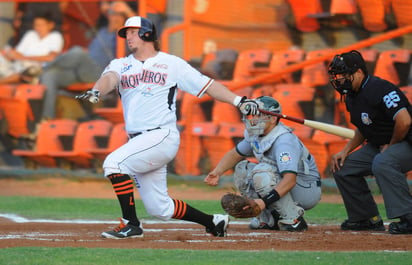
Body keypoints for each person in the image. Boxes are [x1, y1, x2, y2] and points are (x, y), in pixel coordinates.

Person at [75, 16, 259, 239]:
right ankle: (213, 222)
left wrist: (238, 101)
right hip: (139, 141)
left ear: (147, 33)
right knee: (160, 208)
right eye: (126, 33)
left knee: (114, 163)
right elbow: (109, 79)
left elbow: (208, 86)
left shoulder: (172, 63)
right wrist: (96, 91)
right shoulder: (120, 64)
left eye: (132, 31)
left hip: (161, 136)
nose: (128, 37)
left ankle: (131, 224)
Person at [204, 96, 322, 232]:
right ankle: (267, 219)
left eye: (258, 115)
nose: (253, 119)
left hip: (305, 189)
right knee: (243, 169)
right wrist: (217, 172)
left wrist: (263, 202)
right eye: (252, 115)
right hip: (285, 183)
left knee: (262, 172)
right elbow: (235, 154)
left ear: (273, 118)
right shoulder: (257, 133)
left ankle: (293, 219)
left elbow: (290, 180)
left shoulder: (283, 140)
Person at [327, 50, 412, 234]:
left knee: (383, 162)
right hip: (380, 144)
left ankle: (409, 216)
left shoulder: (381, 89)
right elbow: (364, 127)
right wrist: (345, 150)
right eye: (337, 76)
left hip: (406, 141)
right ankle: (365, 218)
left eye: (343, 75)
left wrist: (392, 144)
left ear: (358, 72)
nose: (339, 80)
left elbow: (404, 121)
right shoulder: (351, 95)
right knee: (343, 167)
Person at [39, 1, 134, 119]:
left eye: (119, 15)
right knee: (50, 75)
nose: (115, 17)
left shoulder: (124, 35)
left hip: (100, 74)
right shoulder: (102, 31)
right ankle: (47, 119)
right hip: (83, 70)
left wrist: (128, 11)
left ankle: (42, 67)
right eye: (113, 14)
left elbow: (142, 33)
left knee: (77, 52)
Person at [0, 12, 64, 85]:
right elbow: (18, 52)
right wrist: (9, 54)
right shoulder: (30, 34)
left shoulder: (56, 37)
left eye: (41, 25)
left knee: (27, 72)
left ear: (50, 25)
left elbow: (51, 57)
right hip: (19, 63)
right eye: (36, 25)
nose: (38, 27)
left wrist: (25, 58)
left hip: (38, 68)